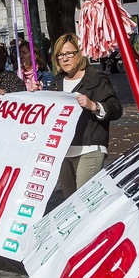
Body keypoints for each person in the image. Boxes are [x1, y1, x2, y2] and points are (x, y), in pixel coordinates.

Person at [49, 33, 123, 198]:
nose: (65, 59)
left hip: (89, 148)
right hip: (63, 151)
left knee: (84, 201)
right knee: (70, 203)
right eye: (60, 55)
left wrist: (94, 106)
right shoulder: (56, 82)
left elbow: (116, 109)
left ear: (79, 53)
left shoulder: (96, 78)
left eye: (69, 53)